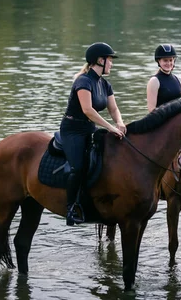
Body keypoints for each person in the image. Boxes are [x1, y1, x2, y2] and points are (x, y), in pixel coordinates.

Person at [62, 42, 126, 226]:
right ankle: (71, 207)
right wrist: (111, 128)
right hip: (72, 130)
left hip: (90, 129)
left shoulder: (105, 84)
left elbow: (113, 108)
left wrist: (119, 123)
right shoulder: (83, 81)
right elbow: (88, 110)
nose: (111, 64)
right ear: (100, 60)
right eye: (110, 60)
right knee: (78, 167)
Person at [146, 44, 181, 167]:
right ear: (159, 61)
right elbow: (151, 109)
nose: (168, 63)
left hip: (180, 124)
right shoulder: (154, 81)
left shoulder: (179, 80)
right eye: (165, 60)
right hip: (162, 123)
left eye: (171, 60)